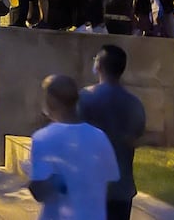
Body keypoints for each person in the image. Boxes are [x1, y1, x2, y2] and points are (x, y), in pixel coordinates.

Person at [28, 75, 119, 220]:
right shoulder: (99, 136)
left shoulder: (43, 138)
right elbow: (110, 181)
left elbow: (39, 193)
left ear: (50, 100)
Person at [78, 45, 146, 220]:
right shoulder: (134, 103)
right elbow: (135, 137)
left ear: (99, 65)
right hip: (121, 188)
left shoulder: (84, 98)